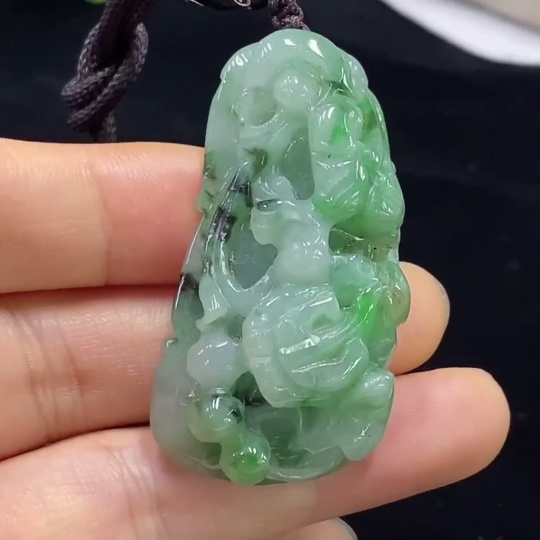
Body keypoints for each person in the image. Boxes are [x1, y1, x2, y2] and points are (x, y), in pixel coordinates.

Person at [0, 138, 510, 539]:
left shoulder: (336, 254)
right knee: (219, 359)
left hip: (302, 342)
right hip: (271, 337)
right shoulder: (274, 256)